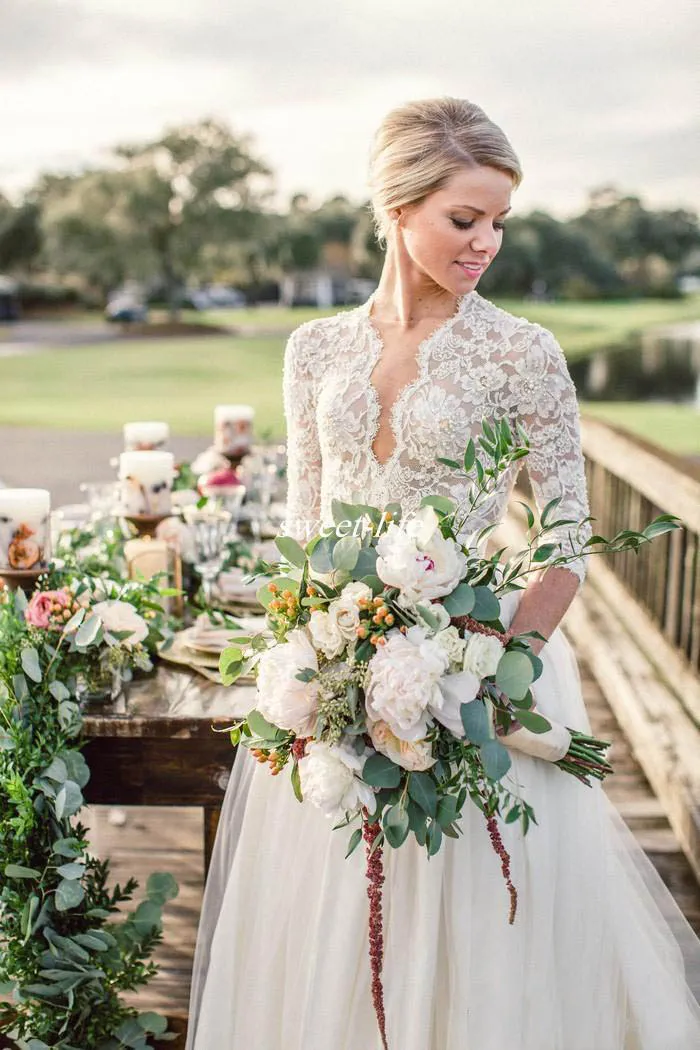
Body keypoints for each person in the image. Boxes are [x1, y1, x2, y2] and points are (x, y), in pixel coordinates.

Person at [186, 98, 700, 1049]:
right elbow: (304, 527)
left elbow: (563, 539)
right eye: (465, 219)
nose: (486, 243)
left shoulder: (522, 354)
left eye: (499, 221)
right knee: (333, 926)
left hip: (481, 675)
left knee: (480, 931)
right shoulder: (315, 351)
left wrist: (492, 665)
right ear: (397, 207)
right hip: (337, 679)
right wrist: (311, 654)